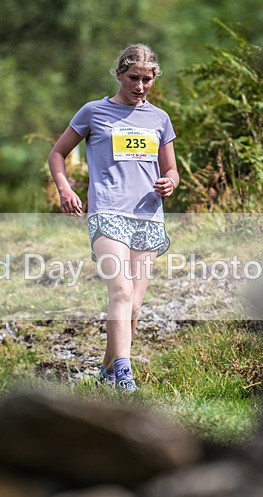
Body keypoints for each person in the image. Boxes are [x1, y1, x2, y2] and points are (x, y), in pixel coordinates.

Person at [48, 43, 179, 392]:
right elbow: (58, 154)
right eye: (133, 78)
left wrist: (170, 183)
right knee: (119, 290)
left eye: (147, 79)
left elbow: (172, 169)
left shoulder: (159, 119)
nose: (140, 86)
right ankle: (125, 374)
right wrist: (65, 189)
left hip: (148, 216)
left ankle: (106, 371)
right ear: (119, 74)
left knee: (133, 305)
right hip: (107, 210)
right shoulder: (94, 112)